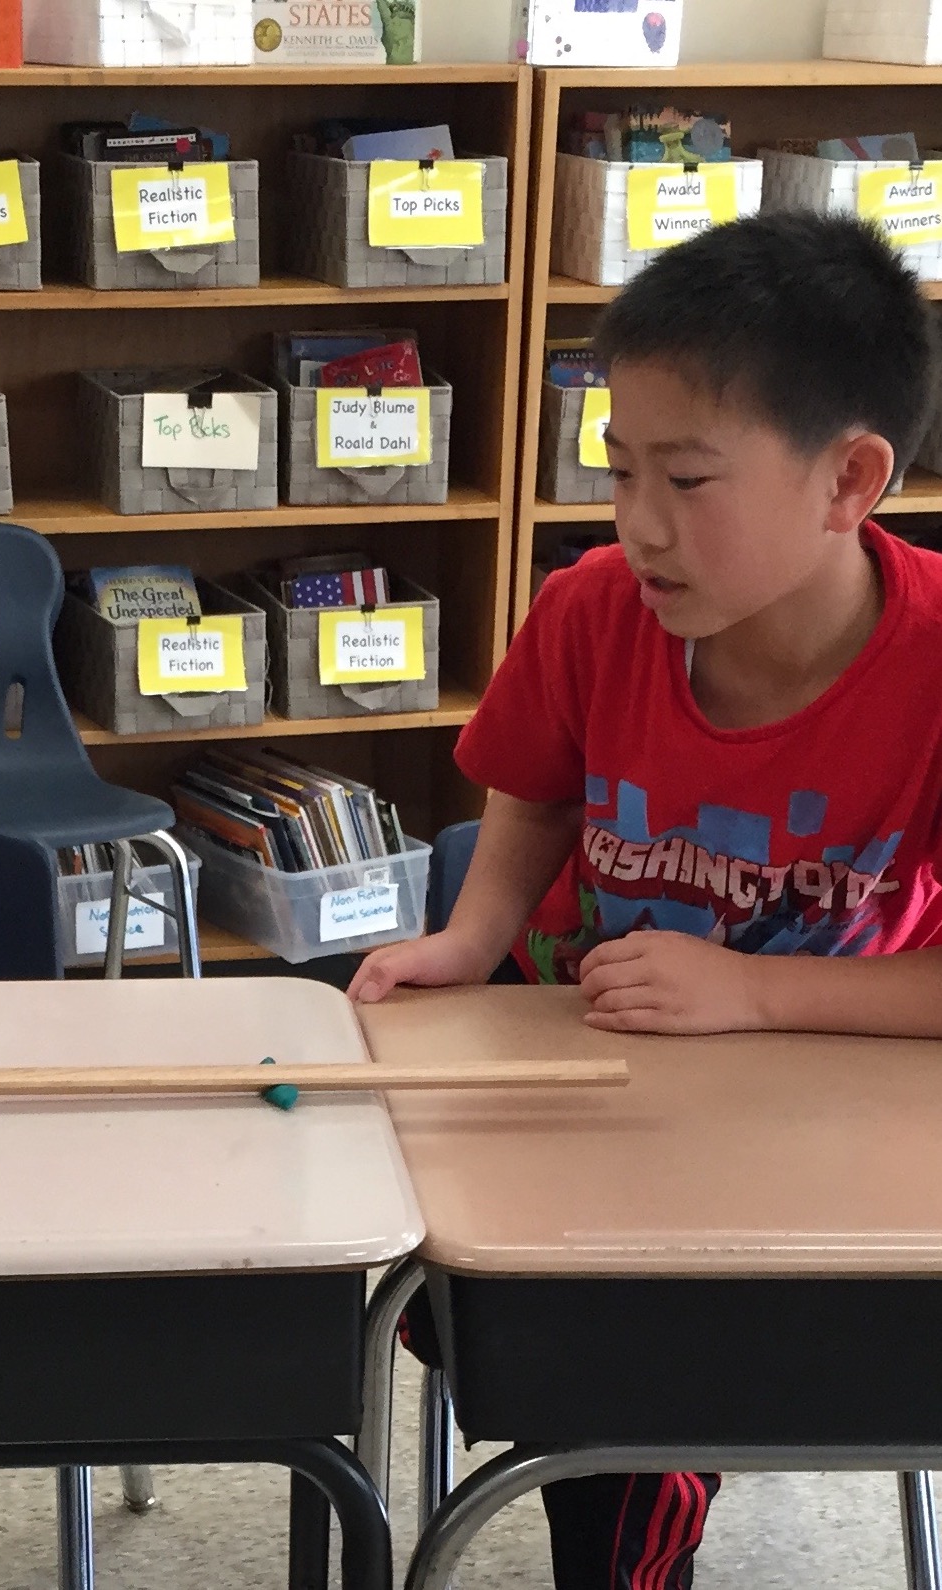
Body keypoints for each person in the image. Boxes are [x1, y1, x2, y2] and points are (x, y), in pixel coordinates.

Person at [351, 210, 942, 1588]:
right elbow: (533, 789)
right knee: (476, 1289)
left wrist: (749, 989)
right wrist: (473, 935)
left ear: (849, 478)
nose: (636, 523)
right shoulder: (591, 610)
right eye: (616, 470)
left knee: (640, 1387)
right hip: (600, 1086)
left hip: (829, 1118)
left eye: (684, 477)